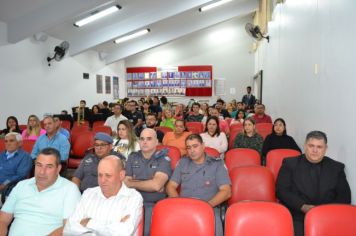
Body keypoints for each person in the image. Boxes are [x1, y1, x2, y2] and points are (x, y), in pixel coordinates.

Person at [276, 131, 351, 236]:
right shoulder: (289, 163)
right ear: (305, 145)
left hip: (328, 217)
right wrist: (303, 206)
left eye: (319, 147)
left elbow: (345, 197)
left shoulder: (336, 167)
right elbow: (282, 191)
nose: (315, 150)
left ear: (325, 148)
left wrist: (325, 211)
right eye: (311, 146)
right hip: (297, 216)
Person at [0, 148, 81, 236]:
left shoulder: (70, 189)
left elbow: (69, 228)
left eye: (49, 167)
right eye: (39, 165)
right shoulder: (22, 185)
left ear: (58, 169)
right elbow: (3, 220)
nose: (42, 172)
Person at [166, 134, 231, 236]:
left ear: (203, 146)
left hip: (210, 208)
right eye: (189, 147)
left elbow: (226, 192)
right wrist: (178, 204)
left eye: (195, 146)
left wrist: (206, 207)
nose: (192, 150)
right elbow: (171, 186)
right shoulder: (183, 163)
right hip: (184, 208)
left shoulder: (217, 164)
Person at [63, 156, 143, 235]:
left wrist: (89, 223)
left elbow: (123, 233)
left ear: (121, 175)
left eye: (108, 175)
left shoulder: (133, 198)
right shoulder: (88, 194)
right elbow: (69, 228)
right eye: (100, 175)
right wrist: (110, 227)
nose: (103, 180)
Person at [125, 128, 172, 236]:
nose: (144, 142)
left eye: (149, 139)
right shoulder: (132, 157)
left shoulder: (163, 159)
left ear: (156, 142)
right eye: (142, 139)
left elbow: (156, 185)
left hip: (153, 205)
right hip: (131, 202)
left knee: (147, 232)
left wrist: (133, 183)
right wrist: (148, 183)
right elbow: (125, 182)